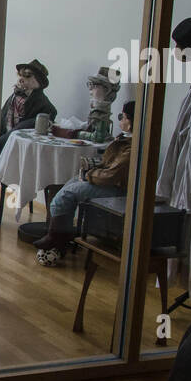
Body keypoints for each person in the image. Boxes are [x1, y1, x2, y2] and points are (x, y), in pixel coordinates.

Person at [33, 100, 136, 262]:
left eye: (121, 117)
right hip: (107, 181)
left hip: (117, 189)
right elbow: (108, 166)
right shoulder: (124, 140)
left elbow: (112, 176)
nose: (120, 120)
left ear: (130, 122)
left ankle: (56, 237)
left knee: (66, 195)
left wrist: (89, 175)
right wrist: (89, 172)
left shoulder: (132, 147)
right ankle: (58, 235)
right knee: (69, 185)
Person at [0, 59, 57, 152]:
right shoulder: (14, 97)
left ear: (39, 82)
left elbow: (18, 133)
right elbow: (0, 122)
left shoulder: (47, 108)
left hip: (18, 151)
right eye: (20, 75)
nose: (21, 79)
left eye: (27, 76)